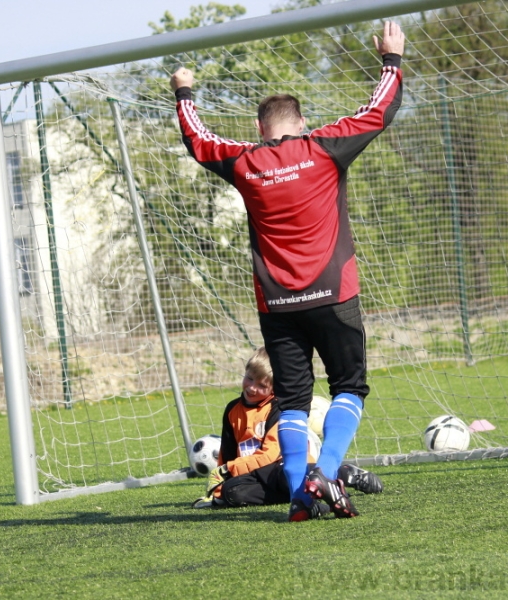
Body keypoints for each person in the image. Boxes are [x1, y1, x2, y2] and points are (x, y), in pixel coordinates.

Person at [172, 21, 404, 521]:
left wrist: (184, 90)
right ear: (300, 123)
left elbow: (198, 140)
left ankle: (301, 497)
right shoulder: (323, 147)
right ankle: (327, 472)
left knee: (294, 403)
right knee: (349, 388)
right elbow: (377, 111)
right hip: (334, 294)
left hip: (277, 305)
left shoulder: (245, 163)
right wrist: (391, 60)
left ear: (261, 130)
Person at [193, 347, 383, 510]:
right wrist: (217, 493)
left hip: (283, 466)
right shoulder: (232, 410)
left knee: (285, 477)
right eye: (249, 378)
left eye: (262, 385)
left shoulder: (279, 408)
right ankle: (312, 497)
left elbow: (270, 456)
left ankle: (345, 474)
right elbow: (228, 454)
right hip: (255, 473)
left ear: (274, 389)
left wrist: (229, 469)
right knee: (233, 493)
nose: (252, 388)